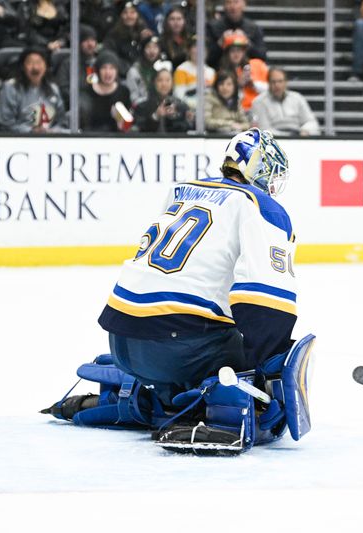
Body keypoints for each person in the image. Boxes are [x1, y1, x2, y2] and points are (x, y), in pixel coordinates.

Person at [43, 129, 315, 456]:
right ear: (260, 170)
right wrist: (266, 373)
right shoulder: (262, 206)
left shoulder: (184, 191)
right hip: (179, 350)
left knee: (204, 319)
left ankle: (144, 395)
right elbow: (265, 298)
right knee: (257, 361)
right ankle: (222, 404)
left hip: (122, 343)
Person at [0, 46, 66, 132]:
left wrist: (52, 131)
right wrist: (31, 131)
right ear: (22, 67)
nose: (35, 68)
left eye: (39, 62)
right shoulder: (10, 88)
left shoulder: (53, 88)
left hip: (50, 139)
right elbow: (6, 124)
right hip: (20, 140)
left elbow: (62, 122)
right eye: (30, 63)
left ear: (46, 67)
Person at [250, 67, 320, 136]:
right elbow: (263, 130)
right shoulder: (259, 102)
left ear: (286, 82)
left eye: (280, 81)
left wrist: (305, 131)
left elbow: (312, 122)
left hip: (298, 138)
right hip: (273, 141)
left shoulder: (297, 98)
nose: (277, 85)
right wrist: (288, 136)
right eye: (273, 82)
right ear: (268, 83)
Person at [80, 50, 133, 132]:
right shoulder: (87, 91)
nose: (108, 72)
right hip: (90, 138)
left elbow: (128, 126)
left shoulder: (124, 92)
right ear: (98, 71)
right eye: (104, 68)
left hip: (116, 139)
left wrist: (121, 123)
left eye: (112, 68)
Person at [218, 29, 268, 113]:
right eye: (232, 51)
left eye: (239, 50)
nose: (236, 54)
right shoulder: (223, 72)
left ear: (244, 52)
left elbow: (271, 89)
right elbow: (220, 97)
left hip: (260, 109)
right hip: (236, 112)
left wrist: (253, 84)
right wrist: (237, 85)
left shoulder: (258, 64)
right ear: (227, 53)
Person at [207, 0, 267, 68]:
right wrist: (220, 43)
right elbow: (206, 59)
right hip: (219, 73)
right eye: (229, 2)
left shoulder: (253, 28)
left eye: (236, 2)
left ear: (244, 5)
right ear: (224, 6)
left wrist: (247, 42)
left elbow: (262, 57)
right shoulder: (212, 27)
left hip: (247, 72)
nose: (233, 7)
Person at [134, 65, 192, 132]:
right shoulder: (144, 105)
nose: (164, 84)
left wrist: (188, 119)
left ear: (172, 83)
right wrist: (156, 116)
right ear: (154, 83)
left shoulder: (180, 105)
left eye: (167, 80)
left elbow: (186, 129)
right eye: (160, 80)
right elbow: (140, 129)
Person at [173, 36, 217, 111]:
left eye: (202, 47)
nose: (198, 51)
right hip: (189, 111)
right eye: (195, 47)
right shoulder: (182, 70)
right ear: (189, 50)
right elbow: (179, 96)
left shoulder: (211, 72)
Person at [126, 34, 163, 106]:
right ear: (142, 50)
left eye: (155, 47)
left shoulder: (159, 69)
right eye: (148, 47)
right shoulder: (134, 72)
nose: (152, 51)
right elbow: (133, 99)